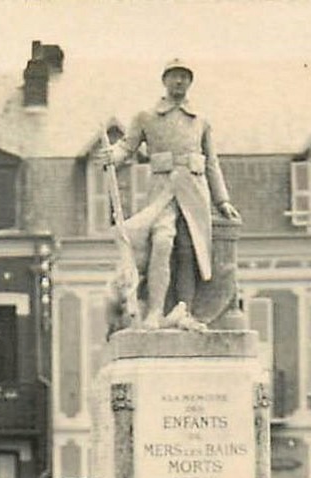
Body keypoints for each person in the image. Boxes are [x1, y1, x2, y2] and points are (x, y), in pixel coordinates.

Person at [98, 58, 241, 331]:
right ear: (164, 80)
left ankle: (183, 309)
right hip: (163, 190)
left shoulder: (201, 120)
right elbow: (127, 148)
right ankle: (154, 311)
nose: (179, 82)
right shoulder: (146, 117)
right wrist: (112, 156)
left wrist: (222, 200)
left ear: (191, 82)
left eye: (185, 77)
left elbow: (211, 162)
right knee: (162, 242)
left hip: (195, 192)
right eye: (174, 76)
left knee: (190, 250)